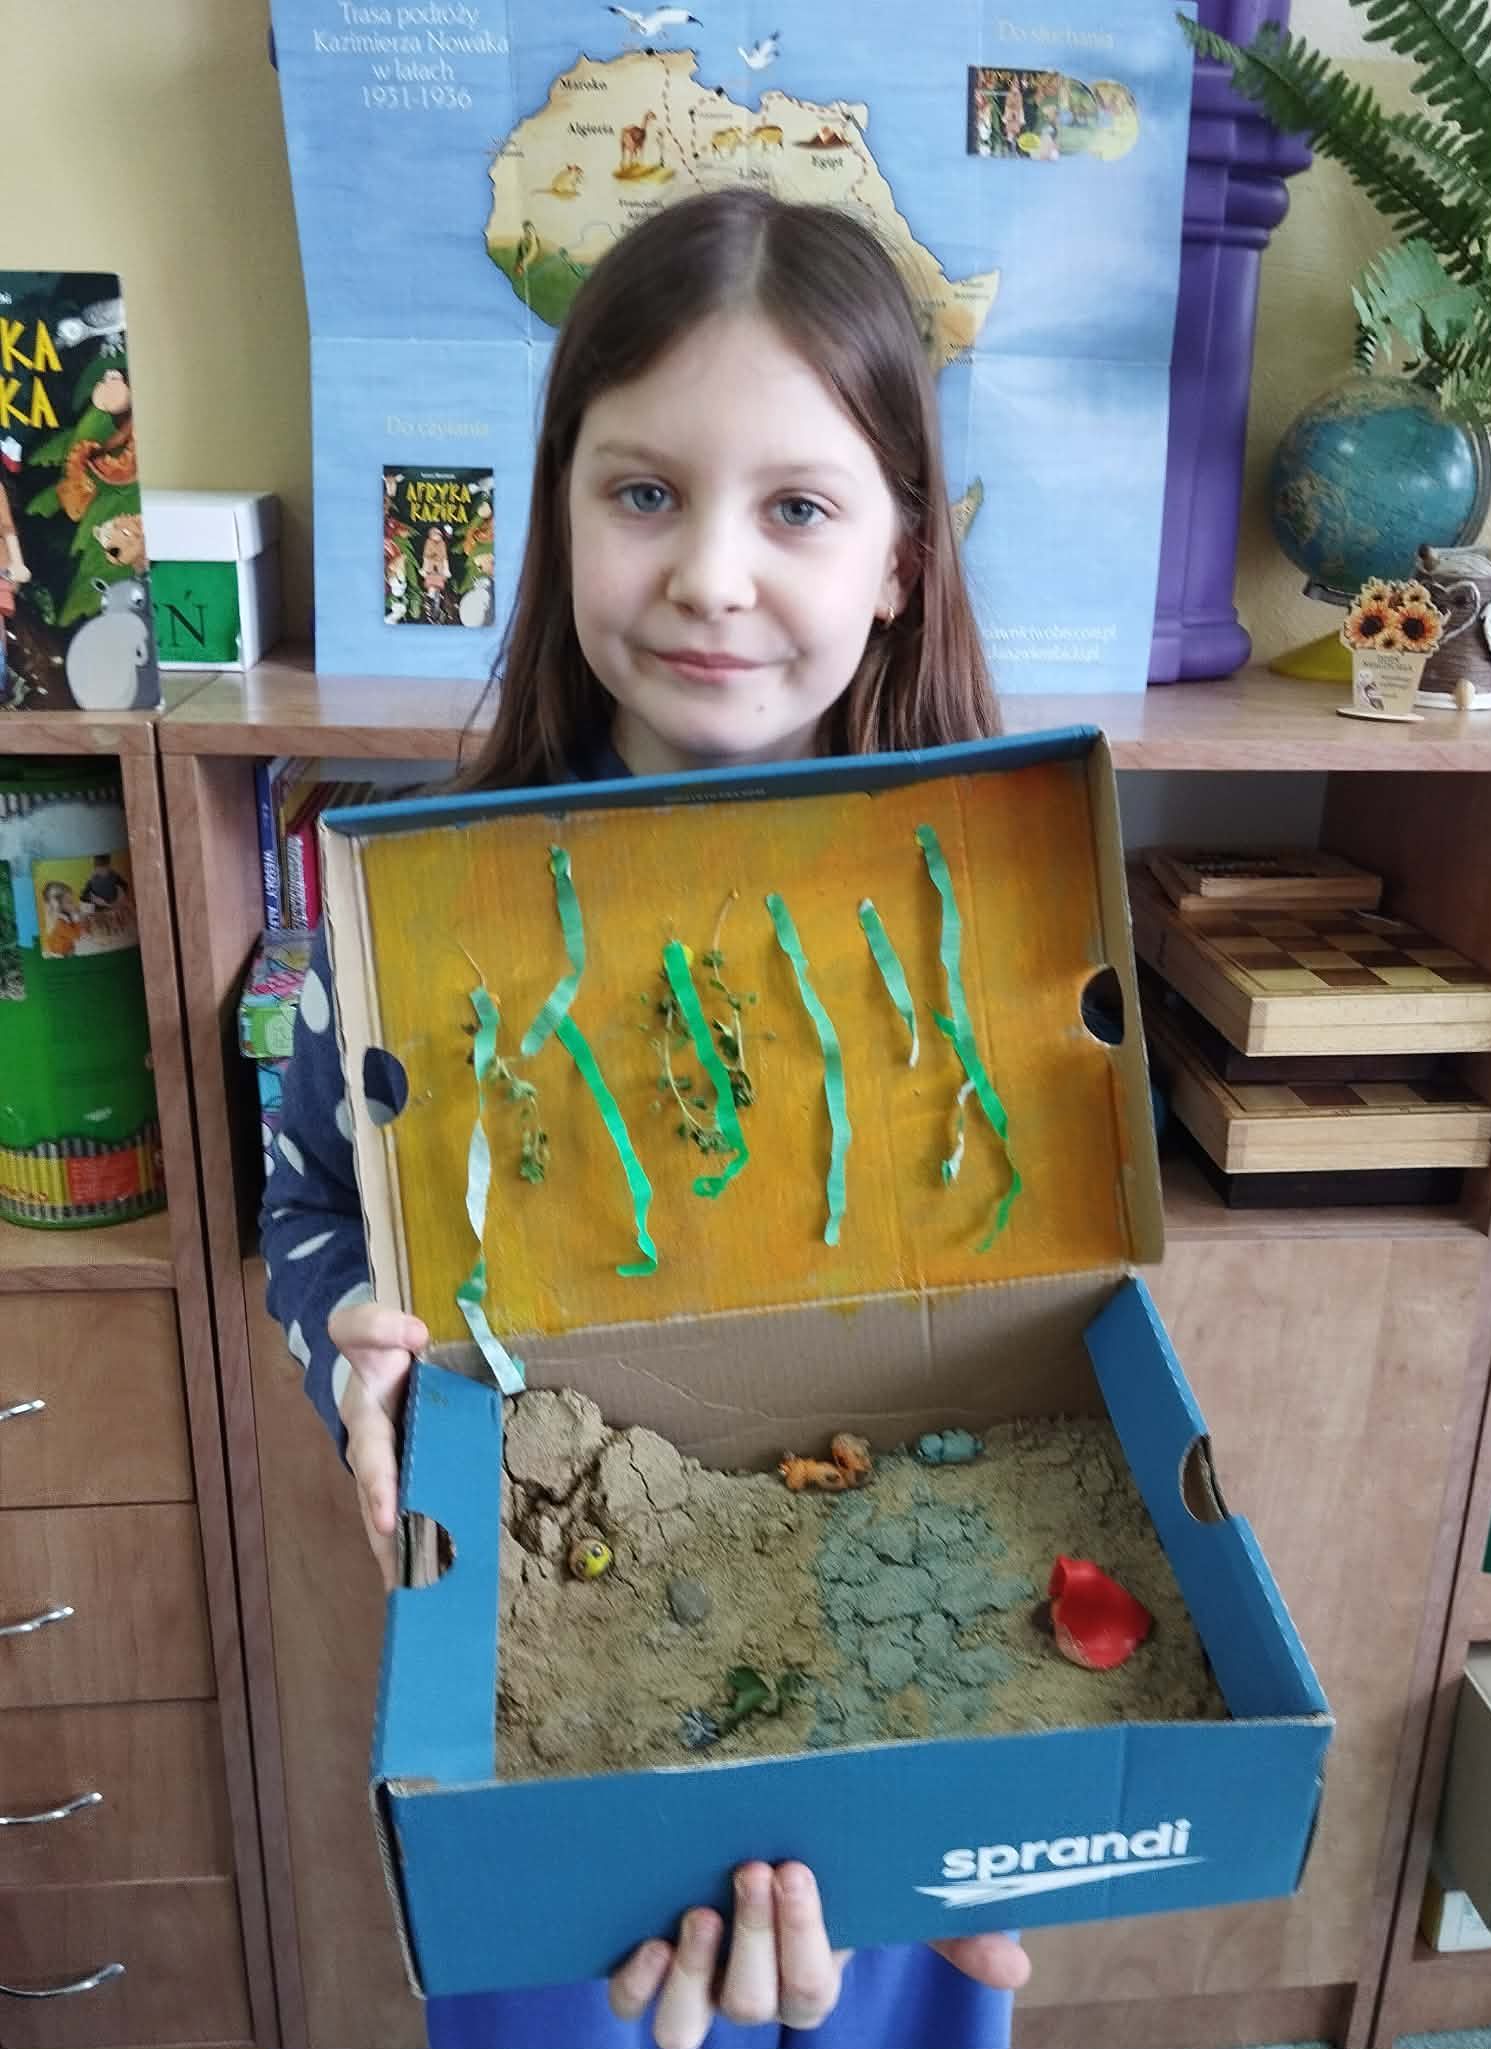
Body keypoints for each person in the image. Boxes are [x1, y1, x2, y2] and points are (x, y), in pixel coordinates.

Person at [259, 186, 1028, 2049]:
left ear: (900, 557)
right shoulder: (401, 913)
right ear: (560, 512)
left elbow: (1039, 1289)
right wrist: (355, 1344)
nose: (710, 575)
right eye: (644, 493)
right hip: (545, 1677)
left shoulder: (991, 915)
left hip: (888, 1685)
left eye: (798, 507)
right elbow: (310, 1206)